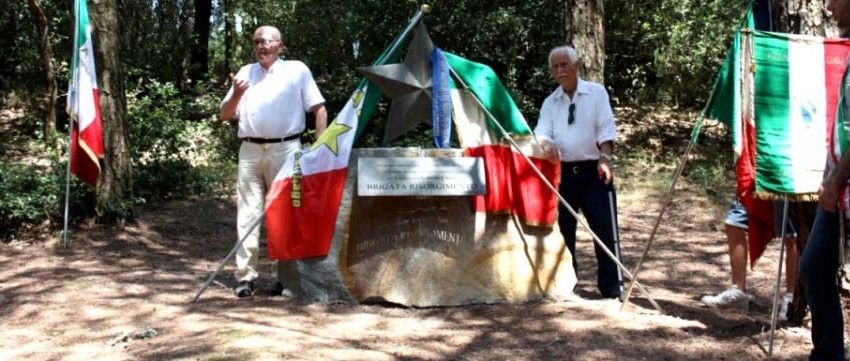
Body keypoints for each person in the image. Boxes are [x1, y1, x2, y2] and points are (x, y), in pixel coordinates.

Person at [219, 25, 327, 298]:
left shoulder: (297, 70)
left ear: (281, 45)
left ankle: (285, 278)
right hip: (250, 152)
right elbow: (224, 115)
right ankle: (245, 277)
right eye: (257, 42)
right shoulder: (245, 73)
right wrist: (237, 94)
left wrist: (319, 147)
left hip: (286, 150)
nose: (261, 46)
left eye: (266, 41)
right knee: (248, 213)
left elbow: (319, 109)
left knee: (286, 214)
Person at [534, 45, 622, 299]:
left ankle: (612, 287)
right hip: (561, 175)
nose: (560, 71)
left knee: (604, 228)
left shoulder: (596, 93)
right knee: (563, 231)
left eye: (564, 65)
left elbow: (606, 129)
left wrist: (605, 158)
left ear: (576, 66)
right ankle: (565, 284)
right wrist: (546, 144)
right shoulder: (550, 102)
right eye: (556, 67)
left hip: (594, 171)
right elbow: (541, 132)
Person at [801, 0, 850, 358]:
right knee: (815, 264)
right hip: (838, 183)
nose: (830, 7)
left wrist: (836, 180)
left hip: (843, 183)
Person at [701, 198, 799, 320]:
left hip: (787, 182)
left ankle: (791, 299)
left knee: (791, 236)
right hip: (757, 179)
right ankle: (737, 293)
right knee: (734, 223)